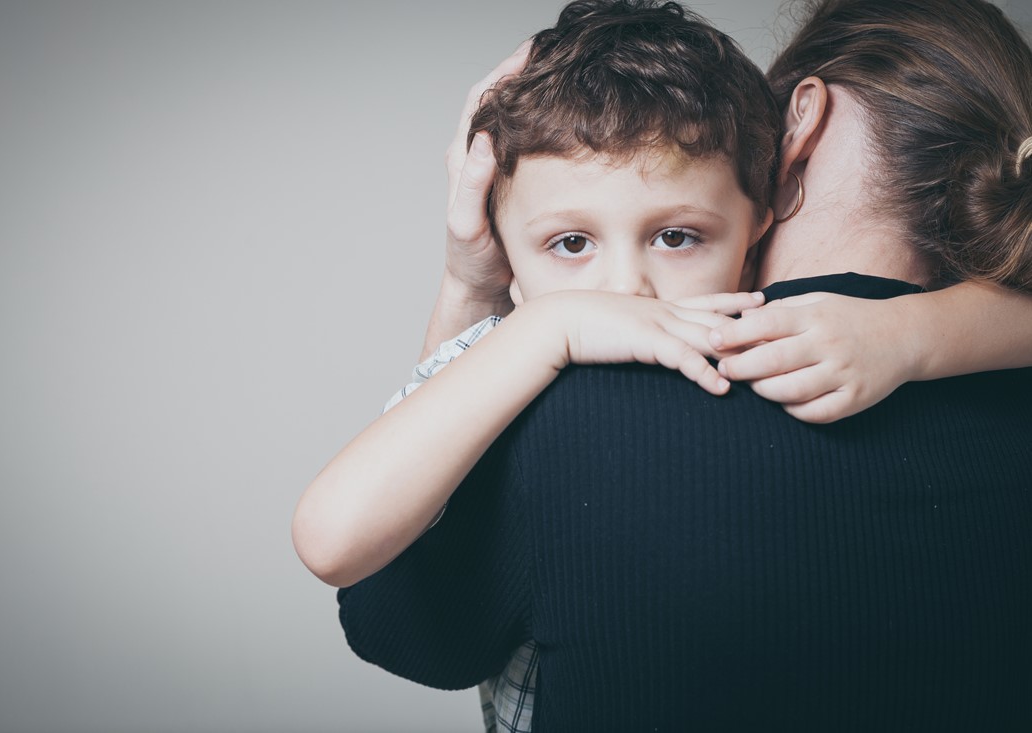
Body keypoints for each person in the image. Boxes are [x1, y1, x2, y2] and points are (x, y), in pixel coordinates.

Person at [329, 0, 1032, 730]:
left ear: (795, 131)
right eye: (573, 241)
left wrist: (473, 291)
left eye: (674, 234)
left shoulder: (569, 401)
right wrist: (925, 329)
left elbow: (405, 626)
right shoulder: (997, 377)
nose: (625, 291)